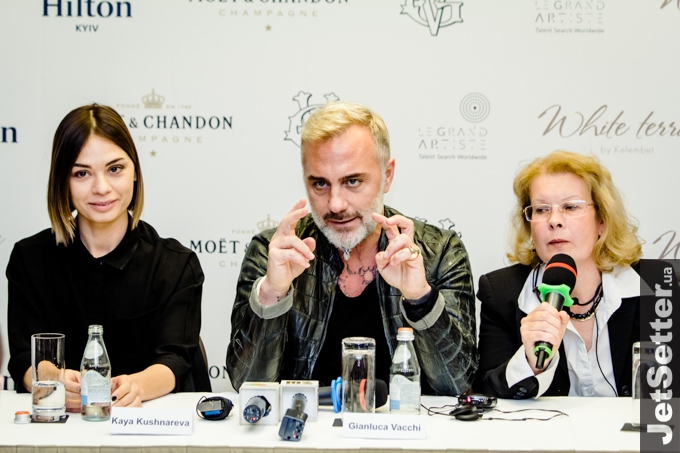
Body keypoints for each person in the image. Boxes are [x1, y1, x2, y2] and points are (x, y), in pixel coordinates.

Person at [226, 101, 477, 396]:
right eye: (320, 184)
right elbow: (247, 385)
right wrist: (272, 294)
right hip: (304, 425)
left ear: (388, 175)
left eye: (353, 181)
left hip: (405, 427)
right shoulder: (272, 252)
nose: (335, 204)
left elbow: (457, 385)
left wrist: (420, 297)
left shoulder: (440, 253)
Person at [7, 104, 210, 409]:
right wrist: (53, 379)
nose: (101, 188)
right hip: (60, 424)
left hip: (148, 421)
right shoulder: (29, 259)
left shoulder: (176, 264)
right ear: (62, 181)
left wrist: (135, 386)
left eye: (115, 169)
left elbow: (176, 360)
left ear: (135, 173)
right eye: (81, 173)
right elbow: (25, 358)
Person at [475, 150, 643, 398]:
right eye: (541, 209)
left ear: (602, 221)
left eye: (570, 206)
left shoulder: (655, 285)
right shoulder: (501, 292)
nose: (554, 220)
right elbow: (487, 391)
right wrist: (531, 363)